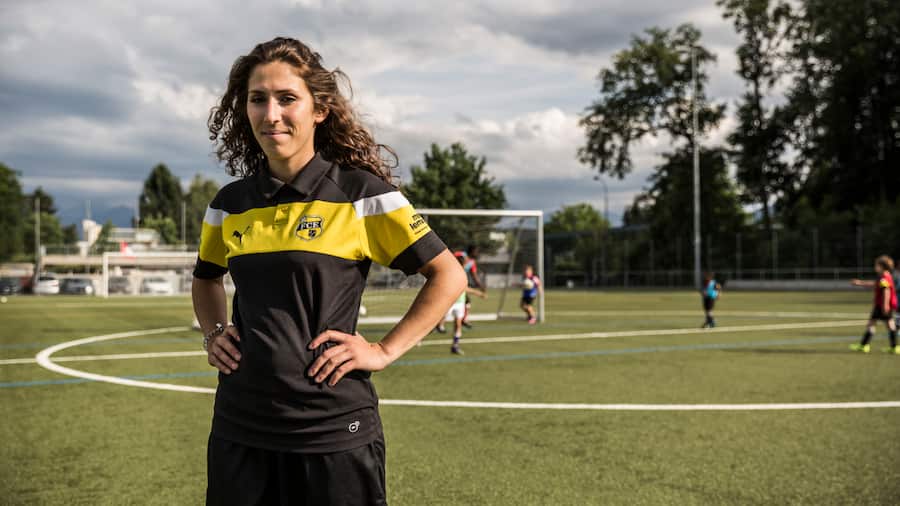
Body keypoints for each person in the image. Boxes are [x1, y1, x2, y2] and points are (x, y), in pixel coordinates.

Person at [192, 37, 466, 506]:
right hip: (240, 425)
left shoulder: (361, 195)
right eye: (257, 99)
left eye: (287, 98)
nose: (270, 113)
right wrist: (215, 331)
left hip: (332, 428)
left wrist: (382, 350)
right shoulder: (230, 204)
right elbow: (206, 277)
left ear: (319, 109)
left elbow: (449, 275)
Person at [849, 255, 898, 354]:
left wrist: (885, 305)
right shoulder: (886, 276)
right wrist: (860, 283)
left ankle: (863, 345)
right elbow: (875, 284)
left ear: (882, 266)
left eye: (876, 265)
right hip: (884, 305)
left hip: (881, 306)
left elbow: (886, 291)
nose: (875, 267)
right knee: (890, 325)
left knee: (871, 324)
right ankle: (894, 347)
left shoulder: (884, 278)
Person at [448, 252, 486, 354]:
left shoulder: (462, 272)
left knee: (458, 324)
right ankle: (417, 338)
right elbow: (464, 288)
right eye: (465, 262)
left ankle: (455, 346)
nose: (467, 263)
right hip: (450, 301)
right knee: (433, 323)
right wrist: (478, 293)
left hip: (460, 302)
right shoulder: (455, 273)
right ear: (463, 263)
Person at [461, 244, 486, 328]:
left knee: (467, 301)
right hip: (452, 279)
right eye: (476, 251)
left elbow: (474, 275)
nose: (477, 253)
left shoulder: (472, 262)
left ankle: (464, 319)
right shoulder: (461, 255)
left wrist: (481, 286)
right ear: (471, 251)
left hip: (459, 282)